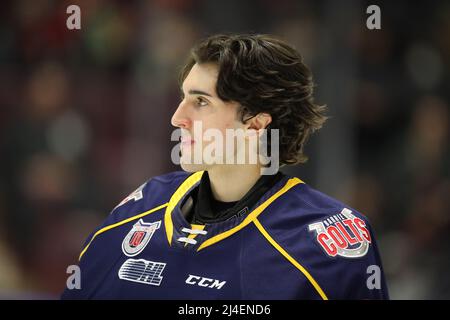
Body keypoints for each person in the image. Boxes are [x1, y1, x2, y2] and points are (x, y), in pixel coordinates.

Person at [62, 34, 389, 299]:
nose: (177, 118)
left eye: (201, 101)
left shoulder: (328, 242)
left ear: (256, 123)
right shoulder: (140, 208)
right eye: (183, 97)